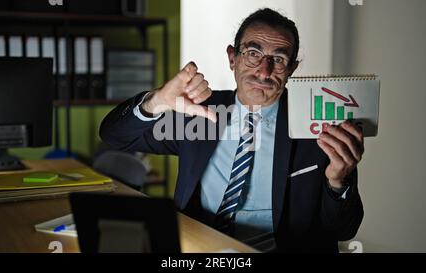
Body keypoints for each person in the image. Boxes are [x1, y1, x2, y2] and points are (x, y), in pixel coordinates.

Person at [100, 8, 364, 252]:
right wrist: (156, 101)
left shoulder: (316, 126)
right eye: (252, 53)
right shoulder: (197, 112)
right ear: (232, 57)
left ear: (291, 68)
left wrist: (338, 182)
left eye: (279, 59)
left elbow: (343, 229)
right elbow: (115, 136)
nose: (264, 71)